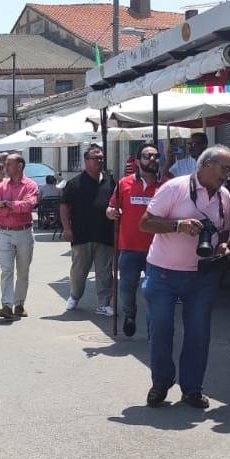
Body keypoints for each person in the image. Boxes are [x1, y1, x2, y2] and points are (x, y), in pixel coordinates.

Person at [139, 145, 230, 409]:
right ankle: (161, 383)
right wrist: (178, 226)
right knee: (161, 330)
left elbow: (224, 231)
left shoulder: (225, 195)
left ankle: (192, 389)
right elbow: (145, 223)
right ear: (206, 166)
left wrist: (223, 245)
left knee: (198, 333)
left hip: (203, 275)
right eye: (225, 168)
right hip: (163, 272)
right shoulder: (175, 188)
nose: (228, 174)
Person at [106, 143, 165, 336]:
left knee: (153, 293)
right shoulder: (124, 183)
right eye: (148, 156)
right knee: (126, 289)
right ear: (138, 161)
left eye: (156, 156)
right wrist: (111, 212)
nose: (153, 160)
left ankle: (152, 330)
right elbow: (111, 207)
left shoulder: (166, 184)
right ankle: (129, 315)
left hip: (157, 250)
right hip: (129, 247)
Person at [60, 145, 116, 316]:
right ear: (86, 161)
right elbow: (64, 207)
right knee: (79, 271)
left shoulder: (110, 181)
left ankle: (104, 303)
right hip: (81, 234)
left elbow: (116, 203)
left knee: (105, 272)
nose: (99, 161)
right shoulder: (74, 183)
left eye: (101, 158)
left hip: (105, 234)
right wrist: (67, 228)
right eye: (95, 158)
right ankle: (75, 296)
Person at [0, 154, 39, 319]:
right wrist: (11, 206)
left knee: (23, 271)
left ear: (20, 166)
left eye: (9, 164)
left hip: (24, 232)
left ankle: (19, 304)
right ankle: (7, 305)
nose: (5, 168)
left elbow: (28, 206)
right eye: (5, 164)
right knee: (6, 270)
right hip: (4, 231)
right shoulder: (1, 186)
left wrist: (7, 204)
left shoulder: (30, 185)